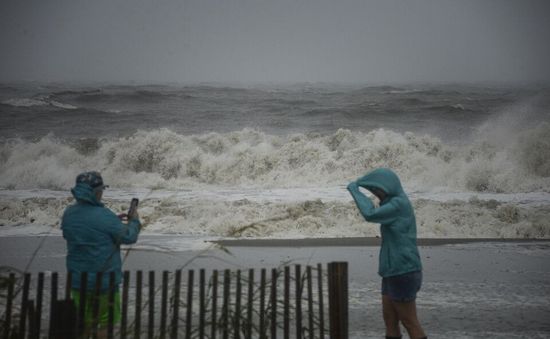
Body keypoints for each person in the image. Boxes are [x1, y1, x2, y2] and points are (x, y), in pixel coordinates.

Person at [347, 168, 427, 339]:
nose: (375, 193)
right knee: (390, 320)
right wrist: (361, 186)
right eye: (373, 191)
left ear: (388, 187)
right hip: (391, 271)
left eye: (376, 190)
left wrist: (355, 190)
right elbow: (373, 209)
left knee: (409, 321)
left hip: (403, 269)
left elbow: (370, 213)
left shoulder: (398, 204)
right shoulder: (391, 203)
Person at [62, 171, 141, 337]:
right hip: (105, 281)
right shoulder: (105, 216)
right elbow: (129, 236)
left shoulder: (68, 214)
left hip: (78, 281)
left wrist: (113, 222)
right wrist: (134, 220)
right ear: (96, 192)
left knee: (85, 322)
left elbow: (86, 230)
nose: (102, 193)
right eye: (101, 190)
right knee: (106, 322)